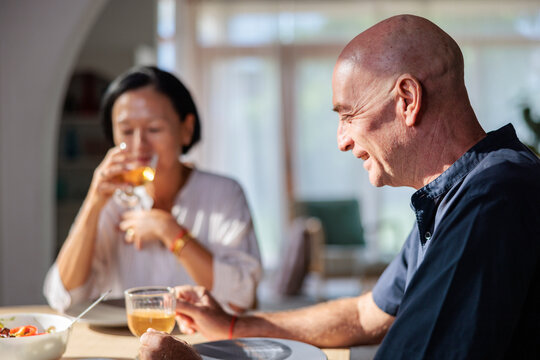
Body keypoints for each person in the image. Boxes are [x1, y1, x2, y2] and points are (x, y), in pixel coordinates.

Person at [138, 14, 540, 360]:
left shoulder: (492, 197)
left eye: (348, 114)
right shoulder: (459, 191)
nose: (341, 140)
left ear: (407, 99)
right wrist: (230, 325)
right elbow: (366, 314)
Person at [44, 66, 262, 313]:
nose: (139, 145)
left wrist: (169, 231)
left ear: (186, 129)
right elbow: (64, 298)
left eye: (154, 129)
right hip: (125, 347)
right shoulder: (112, 200)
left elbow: (242, 298)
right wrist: (93, 203)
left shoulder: (224, 193)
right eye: (126, 131)